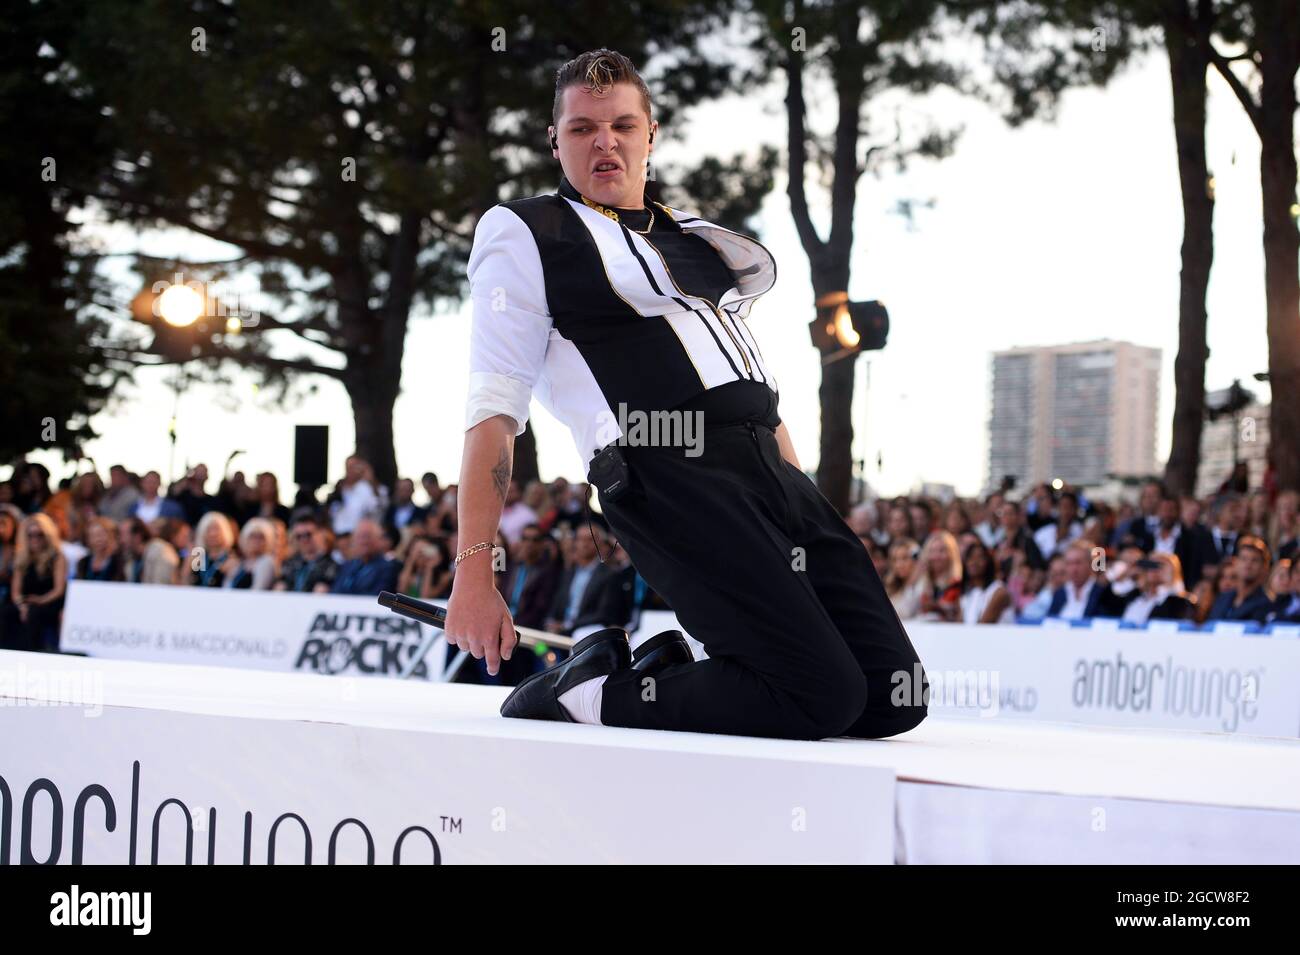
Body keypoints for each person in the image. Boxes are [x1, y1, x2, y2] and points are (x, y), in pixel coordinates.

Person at [444, 48, 927, 741]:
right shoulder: (528, 232)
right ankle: (594, 691)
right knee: (819, 693)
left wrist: (802, 501)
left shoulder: (695, 237)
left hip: (768, 470)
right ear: (555, 142)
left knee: (889, 696)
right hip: (667, 473)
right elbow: (493, 412)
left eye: (621, 125)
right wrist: (474, 569)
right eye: (581, 128)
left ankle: (682, 669)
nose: (604, 141)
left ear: (651, 134)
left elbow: (757, 390)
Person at [9, 513, 67, 652]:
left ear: (47, 535)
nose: (35, 539)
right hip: (26, 602)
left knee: (33, 613)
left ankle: (31, 652)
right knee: (7, 612)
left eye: (39, 534)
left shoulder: (57, 557)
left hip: (50, 602)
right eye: (30, 535)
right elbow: (15, 591)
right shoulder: (22, 558)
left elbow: (59, 589)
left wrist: (40, 600)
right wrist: (21, 606)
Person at [1206, 536, 1274, 624]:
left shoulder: (1266, 604)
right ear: (1236, 563)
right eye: (1243, 559)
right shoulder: (1222, 598)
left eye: (1254, 560)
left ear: (1264, 568)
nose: (1248, 565)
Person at [330, 518, 400, 596]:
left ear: (378, 539)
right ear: (354, 540)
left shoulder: (388, 568)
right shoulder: (347, 566)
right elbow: (335, 592)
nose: (364, 541)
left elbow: (378, 596)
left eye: (367, 536)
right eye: (360, 537)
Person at [275, 516, 339, 593]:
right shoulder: (289, 563)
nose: (303, 540)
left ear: (321, 534)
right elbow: (279, 589)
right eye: (298, 536)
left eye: (308, 535)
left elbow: (320, 593)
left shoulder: (331, 566)